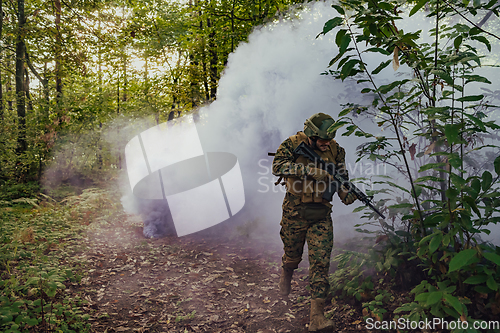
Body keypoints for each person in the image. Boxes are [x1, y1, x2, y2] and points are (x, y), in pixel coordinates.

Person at [272, 112, 357, 332]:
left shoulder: (335, 150)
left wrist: (345, 192)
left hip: (321, 215)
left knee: (320, 263)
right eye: (322, 140)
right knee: (293, 255)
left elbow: (341, 175)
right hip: (295, 212)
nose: (325, 144)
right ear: (310, 135)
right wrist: (309, 171)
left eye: (328, 140)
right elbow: (277, 166)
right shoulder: (292, 144)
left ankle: (317, 317)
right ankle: (287, 271)